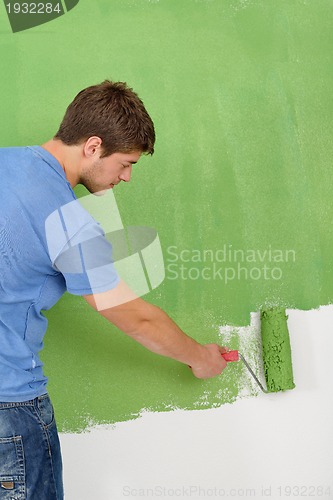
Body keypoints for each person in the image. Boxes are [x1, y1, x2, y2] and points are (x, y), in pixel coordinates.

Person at [0, 80, 227, 500]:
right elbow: (136, 318)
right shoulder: (69, 222)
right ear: (92, 146)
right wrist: (201, 359)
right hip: (9, 412)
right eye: (126, 163)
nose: (126, 176)